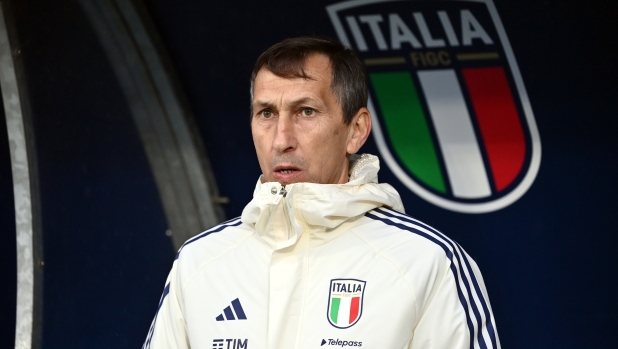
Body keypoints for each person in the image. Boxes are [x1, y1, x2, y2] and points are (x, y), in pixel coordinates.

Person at [143, 37, 500, 349]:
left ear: (356, 130)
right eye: (266, 113)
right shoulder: (198, 262)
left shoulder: (427, 263)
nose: (281, 139)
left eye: (306, 111)